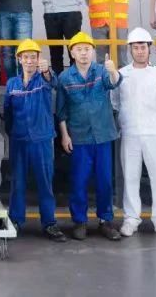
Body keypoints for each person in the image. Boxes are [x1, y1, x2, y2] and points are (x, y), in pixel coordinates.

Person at [55, 32, 123, 241]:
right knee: (79, 181)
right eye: (79, 49)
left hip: (103, 135)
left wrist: (113, 71)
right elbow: (61, 111)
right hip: (79, 137)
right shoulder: (65, 78)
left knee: (105, 181)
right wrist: (65, 136)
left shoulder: (102, 71)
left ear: (93, 52)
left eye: (87, 49)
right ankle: (79, 221)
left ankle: (106, 221)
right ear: (72, 53)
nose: (83, 53)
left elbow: (114, 83)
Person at [117, 27, 156, 239]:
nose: (140, 51)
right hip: (130, 133)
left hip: (155, 133)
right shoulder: (122, 75)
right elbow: (114, 102)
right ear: (130, 49)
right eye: (136, 47)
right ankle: (131, 219)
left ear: (149, 48)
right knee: (130, 178)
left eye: (143, 47)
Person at [3, 39, 65, 242]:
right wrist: (13, 133)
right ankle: (15, 220)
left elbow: (53, 81)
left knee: (45, 182)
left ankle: (49, 223)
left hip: (42, 140)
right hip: (19, 140)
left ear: (39, 59)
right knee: (17, 182)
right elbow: (8, 111)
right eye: (26, 57)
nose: (29, 61)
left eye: (33, 57)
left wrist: (46, 71)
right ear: (19, 59)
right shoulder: (12, 84)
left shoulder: (43, 80)